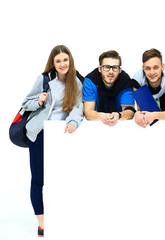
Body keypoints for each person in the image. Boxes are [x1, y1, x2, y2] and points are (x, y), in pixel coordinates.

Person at [21, 45, 84, 237]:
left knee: (63, 179)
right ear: (53, 64)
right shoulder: (44, 80)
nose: (63, 64)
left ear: (70, 61)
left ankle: (64, 218)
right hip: (40, 133)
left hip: (62, 135)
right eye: (58, 61)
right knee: (39, 179)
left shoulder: (78, 82)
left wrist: (73, 122)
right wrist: (39, 100)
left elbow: (78, 108)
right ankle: (42, 224)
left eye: (65, 60)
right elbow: (25, 104)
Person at [132, 48, 165, 128]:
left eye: (156, 67)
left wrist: (154, 115)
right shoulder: (137, 80)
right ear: (143, 68)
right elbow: (142, 110)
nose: (152, 72)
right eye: (148, 68)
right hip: (150, 126)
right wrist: (138, 114)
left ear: (162, 67)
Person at [83, 50, 135, 126]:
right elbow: (88, 113)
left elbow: (130, 111)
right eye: (106, 67)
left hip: (120, 124)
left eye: (115, 67)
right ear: (99, 69)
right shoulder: (90, 80)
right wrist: (102, 116)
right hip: (95, 124)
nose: (111, 71)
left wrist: (118, 115)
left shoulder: (125, 81)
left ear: (120, 70)